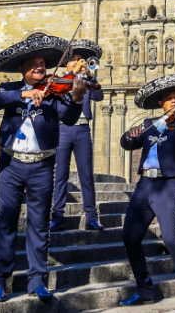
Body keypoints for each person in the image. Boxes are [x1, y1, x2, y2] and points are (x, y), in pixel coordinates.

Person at [0, 35, 87, 303]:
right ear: (22, 68)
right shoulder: (9, 88)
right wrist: (25, 93)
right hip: (11, 164)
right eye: (33, 64)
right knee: (5, 220)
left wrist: (77, 98)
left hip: (42, 165)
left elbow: (69, 118)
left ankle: (37, 279)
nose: (40, 67)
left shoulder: (55, 92)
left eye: (42, 63)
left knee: (39, 223)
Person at [118, 74, 175, 313]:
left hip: (170, 185)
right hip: (145, 184)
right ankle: (144, 288)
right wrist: (129, 135)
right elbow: (127, 144)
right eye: (170, 99)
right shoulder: (150, 124)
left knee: (173, 239)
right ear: (161, 104)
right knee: (130, 237)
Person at [51, 39, 106, 232]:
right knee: (60, 174)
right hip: (63, 130)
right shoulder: (60, 80)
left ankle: (91, 217)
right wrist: (73, 74)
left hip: (82, 129)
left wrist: (91, 77)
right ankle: (57, 216)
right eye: (73, 59)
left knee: (86, 175)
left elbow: (99, 96)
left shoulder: (87, 81)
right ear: (66, 64)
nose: (77, 62)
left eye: (80, 59)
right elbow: (58, 95)